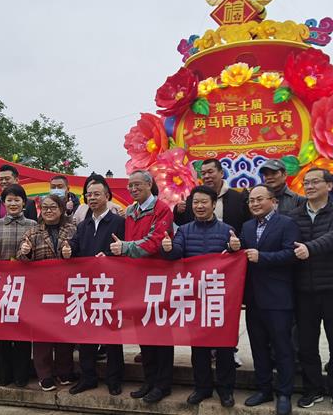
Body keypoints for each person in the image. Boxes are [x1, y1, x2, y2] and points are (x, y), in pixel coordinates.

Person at [161, 185, 241, 408]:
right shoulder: (184, 231)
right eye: (195, 202)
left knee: (224, 346)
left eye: (204, 202)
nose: (199, 206)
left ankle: (226, 390)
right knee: (199, 347)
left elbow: (234, 257)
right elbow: (176, 252)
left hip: (220, 298)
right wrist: (168, 248)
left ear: (214, 204)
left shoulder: (227, 230)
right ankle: (202, 387)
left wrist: (235, 248)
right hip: (195, 297)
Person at [290, 168, 333, 413]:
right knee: (306, 345)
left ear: (329, 186)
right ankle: (312, 389)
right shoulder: (295, 216)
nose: (309, 186)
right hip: (303, 290)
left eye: (315, 182)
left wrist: (309, 248)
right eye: (306, 182)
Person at [110, 170, 174, 403]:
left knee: (161, 332)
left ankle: (163, 384)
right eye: (130, 186)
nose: (133, 189)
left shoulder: (162, 209)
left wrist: (126, 248)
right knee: (143, 331)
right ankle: (149, 380)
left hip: (157, 279)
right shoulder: (131, 211)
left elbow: (156, 241)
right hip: (136, 279)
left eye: (137, 185)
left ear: (149, 184)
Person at [241, 185, 300, 415]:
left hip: (278, 298)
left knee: (282, 347)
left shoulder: (286, 224)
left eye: (259, 199)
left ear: (273, 201)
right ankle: (263, 388)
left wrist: (262, 257)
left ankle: (284, 393)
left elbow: (291, 254)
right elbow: (242, 256)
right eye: (251, 200)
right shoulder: (247, 226)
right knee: (258, 347)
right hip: (253, 298)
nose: (255, 204)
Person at [66, 180, 126, 396]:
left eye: (96, 194)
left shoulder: (119, 222)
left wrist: (108, 256)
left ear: (107, 196)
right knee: (86, 334)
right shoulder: (84, 225)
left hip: (110, 286)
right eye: (88, 194)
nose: (91, 198)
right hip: (87, 286)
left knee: (112, 336)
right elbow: (75, 245)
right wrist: (68, 249)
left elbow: (125, 249)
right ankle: (88, 377)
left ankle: (114, 378)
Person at [0, 184, 37, 387]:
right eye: (9, 200)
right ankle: (4, 375)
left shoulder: (33, 225)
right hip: (1, 288)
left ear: (24, 203)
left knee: (23, 333)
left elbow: (39, 253)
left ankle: (21, 376)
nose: (13, 203)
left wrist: (29, 251)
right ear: (3, 203)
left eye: (17, 200)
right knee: (3, 333)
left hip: (25, 287)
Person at [16, 194, 77, 392]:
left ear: (61, 209)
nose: (48, 211)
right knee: (42, 334)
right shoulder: (32, 231)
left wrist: (70, 253)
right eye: (45, 208)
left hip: (66, 289)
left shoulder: (72, 229)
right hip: (40, 291)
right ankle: (45, 374)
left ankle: (64, 370)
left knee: (64, 332)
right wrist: (25, 252)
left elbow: (80, 252)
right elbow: (21, 258)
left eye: (53, 207)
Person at [173, 158, 249, 234]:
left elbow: (246, 224)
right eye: (203, 173)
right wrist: (179, 212)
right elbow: (182, 222)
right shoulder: (193, 198)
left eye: (210, 172)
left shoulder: (237, 198)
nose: (206, 176)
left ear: (222, 173)